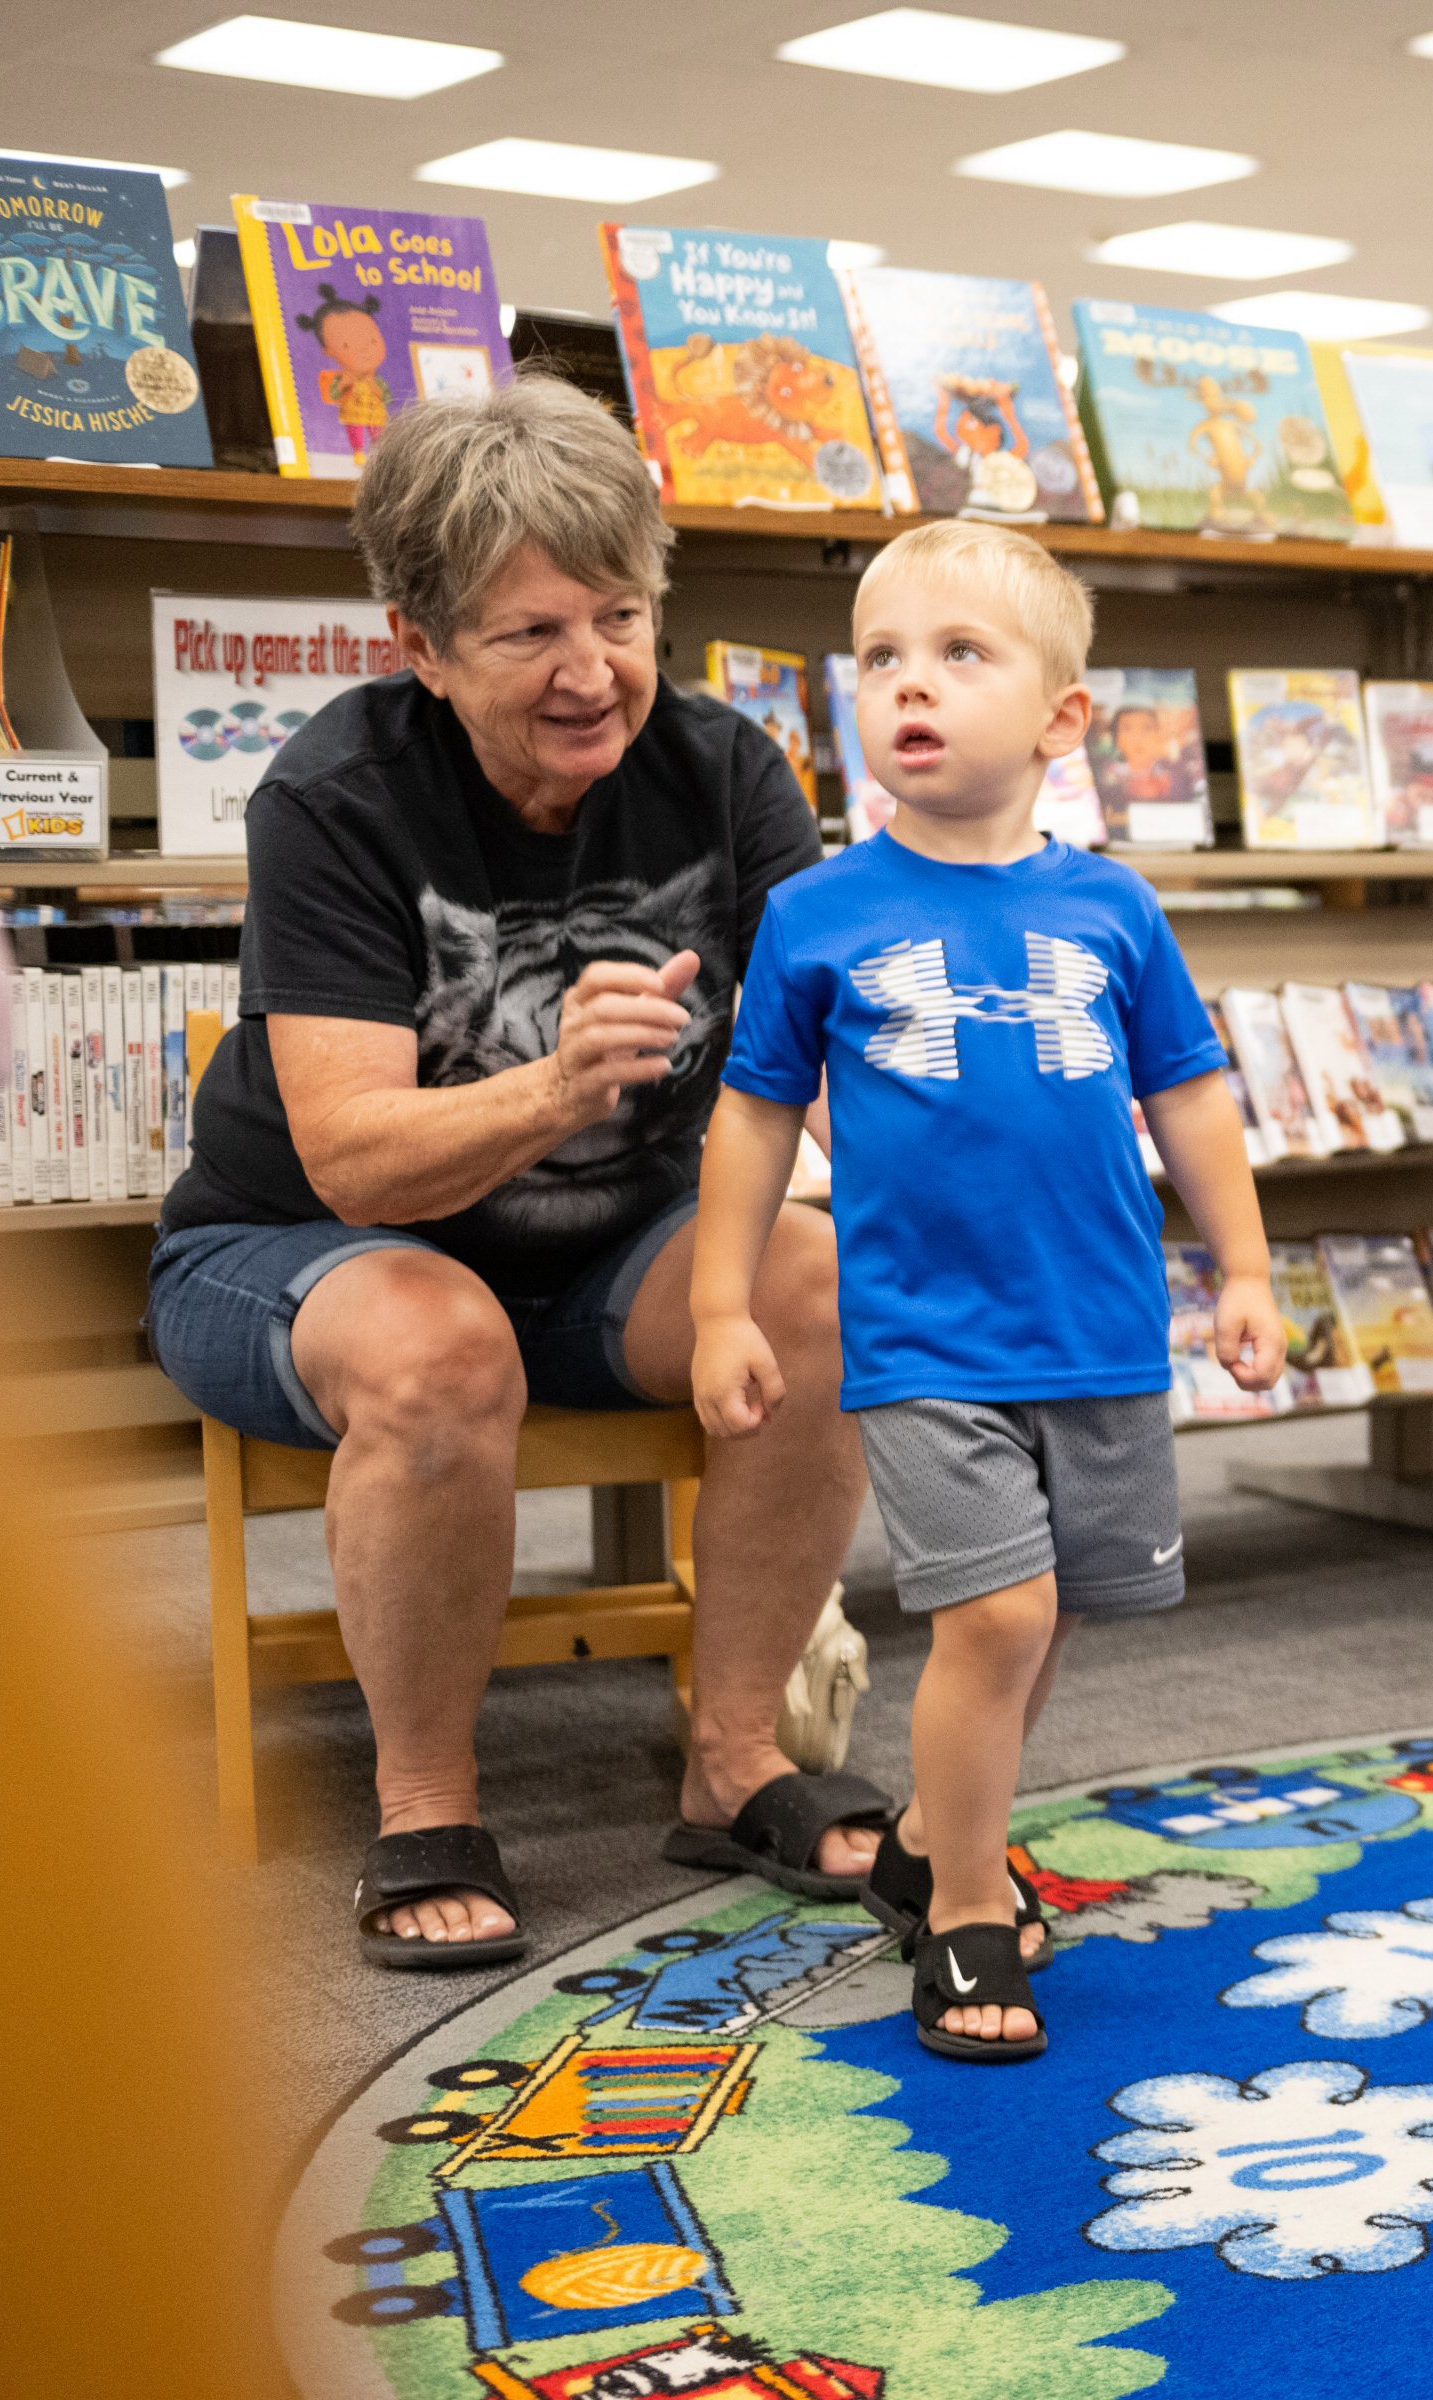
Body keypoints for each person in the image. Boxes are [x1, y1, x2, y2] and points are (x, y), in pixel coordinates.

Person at [148, 375, 883, 1969]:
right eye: (530, 632)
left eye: (621, 616)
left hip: (610, 1254)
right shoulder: (335, 798)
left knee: (822, 1284)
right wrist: (555, 1078)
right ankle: (426, 1805)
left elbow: (830, 1070)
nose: (591, 671)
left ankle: (736, 1759)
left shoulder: (727, 770)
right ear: (419, 643)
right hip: (294, 1251)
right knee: (442, 1342)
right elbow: (353, 1158)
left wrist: (989, 1196)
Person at [692, 521, 1285, 2059]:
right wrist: (720, 1304)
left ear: (1061, 716)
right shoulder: (818, 914)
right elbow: (754, 1115)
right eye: (883, 657)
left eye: (962, 654)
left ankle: (922, 1844)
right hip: (926, 1339)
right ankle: (962, 1911)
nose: (913, 684)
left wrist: (1246, 1266)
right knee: (1000, 1613)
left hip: (1098, 1331)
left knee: (1050, 1613)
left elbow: (1191, 1094)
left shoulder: (1115, 909)